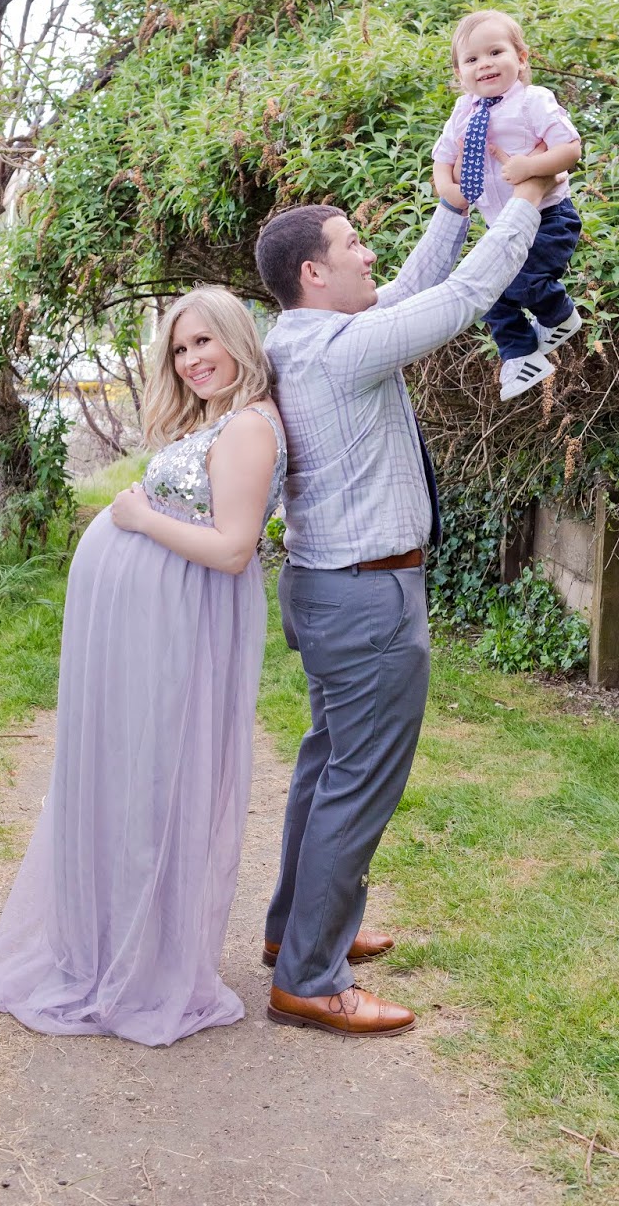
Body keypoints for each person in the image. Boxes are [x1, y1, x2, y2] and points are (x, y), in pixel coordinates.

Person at [0, 288, 286, 1046]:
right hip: (150, 623)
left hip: (183, 624)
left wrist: (139, 518)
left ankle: (145, 960)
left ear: (237, 337)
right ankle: (111, 938)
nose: (191, 360)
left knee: (160, 775)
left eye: (204, 342)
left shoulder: (251, 427)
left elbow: (234, 550)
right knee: (127, 774)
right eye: (180, 349)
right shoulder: (217, 421)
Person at [254, 170, 550, 1036]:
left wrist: (453, 208)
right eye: (352, 243)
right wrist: (528, 198)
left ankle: (296, 932)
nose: (368, 252)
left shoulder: (307, 338)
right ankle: (310, 979)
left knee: (326, 769)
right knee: (357, 784)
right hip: (368, 597)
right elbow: (461, 299)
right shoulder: (342, 352)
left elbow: (414, 289)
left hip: (329, 588)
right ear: (314, 272)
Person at [432, 9, 583, 400]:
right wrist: (449, 189)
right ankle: (520, 356)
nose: (484, 64)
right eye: (471, 59)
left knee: (525, 281)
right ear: (459, 72)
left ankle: (559, 315)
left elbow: (570, 148)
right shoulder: (462, 112)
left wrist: (529, 167)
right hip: (499, 225)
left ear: (522, 57)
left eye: (495, 52)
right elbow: (442, 159)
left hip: (548, 217)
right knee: (486, 291)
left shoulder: (533, 101)